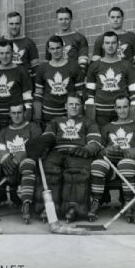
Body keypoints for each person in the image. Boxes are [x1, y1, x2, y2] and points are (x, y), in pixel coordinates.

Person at [37, 94, 102, 222]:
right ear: (66, 106)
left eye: (77, 104)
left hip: (77, 152)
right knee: (49, 169)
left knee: (75, 173)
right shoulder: (55, 121)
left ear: (81, 107)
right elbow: (48, 136)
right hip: (57, 151)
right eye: (71, 104)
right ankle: (49, 207)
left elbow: (95, 141)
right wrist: (41, 144)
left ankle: (73, 208)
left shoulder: (88, 122)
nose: (74, 107)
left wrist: (87, 150)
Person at [88, 96, 135, 222]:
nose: (122, 110)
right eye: (119, 107)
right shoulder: (107, 127)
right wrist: (107, 151)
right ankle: (96, 201)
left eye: (125, 107)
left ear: (130, 108)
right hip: (112, 168)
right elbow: (99, 149)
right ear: (115, 109)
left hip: (131, 167)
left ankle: (128, 202)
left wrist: (127, 152)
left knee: (126, 163)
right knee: (97, 164)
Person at [0, 103, 42, 223]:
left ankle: (26, 204)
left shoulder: (33, 127)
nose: (16, 116)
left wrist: (19, 157)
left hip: (26, 162)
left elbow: (36, 146)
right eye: (14, 113)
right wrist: (5, 158)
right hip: (10, 166)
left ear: (25, 113)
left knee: (27, 164)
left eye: (19, 113)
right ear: (10, 114)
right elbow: (0, 148)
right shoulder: (4, 131)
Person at [85, 31, 135, 126]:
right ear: (103, 45)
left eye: (113, 43)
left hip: (121, 113)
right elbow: (89, 93)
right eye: (107, 43)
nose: (110, 46)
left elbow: (134, 92)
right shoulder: (94, 66)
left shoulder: (127, 65)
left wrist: (133, 109)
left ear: (118, 45)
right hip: (100, 113)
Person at [33, 35, 84, 128]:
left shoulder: (74, 66)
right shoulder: (42, 68)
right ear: (48, 50)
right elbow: (38, 94)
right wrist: (37, 119)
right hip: (47, 117)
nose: (55, 51)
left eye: (58, 48)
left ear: (63, 48)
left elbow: (79, 94)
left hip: (68, 117)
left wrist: (78, 116)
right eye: (52, 48)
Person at [0, 40, 33, 130]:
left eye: (7, 53)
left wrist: (27, 117)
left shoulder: (21, 71)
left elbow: (27, 97)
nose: (4, 56)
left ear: (12, 53)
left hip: (14, 118)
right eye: (2, 53)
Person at [0, 11, 40, 80]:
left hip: (24, 82)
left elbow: (35, 67)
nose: (14, 27)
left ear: (21, 24)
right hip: (5, 81)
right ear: (7, 24)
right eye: (11, 24)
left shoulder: (29, 42)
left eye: (17, 24)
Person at [45, 7, 89, 72]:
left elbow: (83, 63)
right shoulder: (51, 40)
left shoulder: (79, 38)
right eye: (61, 19)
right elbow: (47, 63)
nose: (64, 22)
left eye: (66, 19)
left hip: (73, 75)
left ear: (71, 19)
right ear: (57, 20)